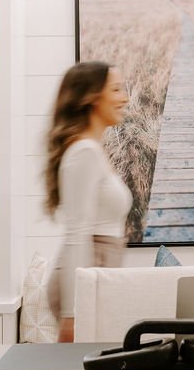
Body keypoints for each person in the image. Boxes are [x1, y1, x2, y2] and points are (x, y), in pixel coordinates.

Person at [45, 61, 131, 342]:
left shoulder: (92, 150)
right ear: (90, 98)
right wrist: (73, 313)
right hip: (85, 284)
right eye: (116, 89)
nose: (124, 97)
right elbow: (77, 235)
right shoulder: (84, 152)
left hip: (98, 278)